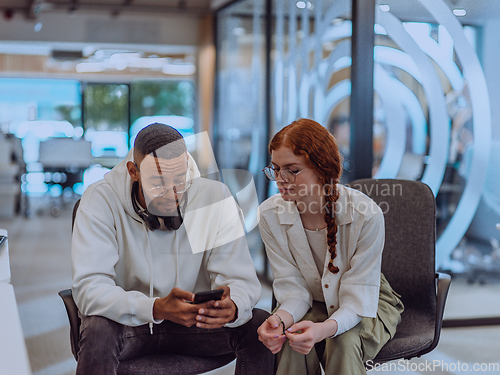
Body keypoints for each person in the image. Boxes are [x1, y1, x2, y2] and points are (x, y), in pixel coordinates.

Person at [71, 123, 273, 374]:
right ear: (133, 171)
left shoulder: (211, 198)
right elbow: (89, 288)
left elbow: (241, 280)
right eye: (158, 183)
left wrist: (233, 307)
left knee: (259, 324)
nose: (172, 195)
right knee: (98, 328)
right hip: (131, 323)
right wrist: (155, 307)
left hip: (193, 323)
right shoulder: (101, 200)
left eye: (179, 181)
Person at [256, 118, 404, 375]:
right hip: (312, 300)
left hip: (365, 300)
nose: (280, 179)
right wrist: (280, 320)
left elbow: (357, 300)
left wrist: (324, 329)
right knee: (290, 341)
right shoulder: (269, 214)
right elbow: (293, 291)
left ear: (322, 168)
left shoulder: (366, 214)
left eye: (292, 169)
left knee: (342, 342)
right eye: (275, 169)